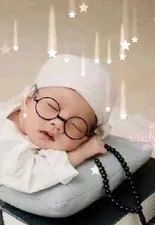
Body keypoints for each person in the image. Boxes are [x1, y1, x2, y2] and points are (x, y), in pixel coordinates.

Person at [0, 53, 116, 193]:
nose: (58, 124)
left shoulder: (37, 126)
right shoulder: (5, 138)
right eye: (51, 107)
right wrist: (79, 154)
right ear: (28, 101)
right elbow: (26, 177)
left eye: (75, 125)